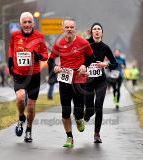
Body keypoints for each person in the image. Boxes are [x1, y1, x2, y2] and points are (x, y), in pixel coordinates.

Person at [48, 17, 93, 148]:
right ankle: (69, 137)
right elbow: (50, 61)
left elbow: (91, 58)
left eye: (71, 27)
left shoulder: (83, 42)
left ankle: (79, 119)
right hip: (64, 81)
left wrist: (85, 65)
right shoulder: (58, 44)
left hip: (79, 80)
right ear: (63, 29)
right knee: (65, 111)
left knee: (79, 110)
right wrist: (55, 68)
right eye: (66, 27)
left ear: (75, 29)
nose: (69, 30)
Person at [8, 12, 48, 143]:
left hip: (34, 75)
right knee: (20, 98)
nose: (27, 25)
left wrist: (39, 57)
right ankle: (21, 118)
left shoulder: (39, 36)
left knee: (31, 106)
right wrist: (10, 61)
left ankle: (29, 130)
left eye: (29, 22)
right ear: (20, 24)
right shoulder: (15, 35)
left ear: (33, 23)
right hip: (19, 74)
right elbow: (11, 48)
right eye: (24, 22)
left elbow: (46, 55)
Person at [84, 23, 117, 143]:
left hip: (101, 81)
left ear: (102, 33)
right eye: (94, 29)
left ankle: (97, 134)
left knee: (99, 106)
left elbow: (115, 64)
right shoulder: (85, 44)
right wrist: (83, 68)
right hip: (88, 80)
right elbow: (78, 58)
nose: (97, 31)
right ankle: (87, 114)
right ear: (91, 32)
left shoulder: (105, 47)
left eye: (99, 29)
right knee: (90, 108)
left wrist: (106, 64)